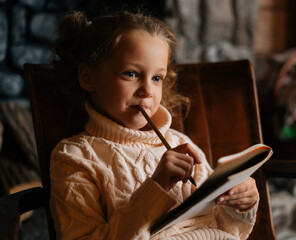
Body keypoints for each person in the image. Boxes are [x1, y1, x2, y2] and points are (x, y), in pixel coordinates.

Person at [49, 10, 259, 240]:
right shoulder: (74, 157)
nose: (147, 91)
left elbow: (228, 229)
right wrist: (155, 187)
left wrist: (239, 203)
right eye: (131, 74)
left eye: (157, 78)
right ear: (88, 78)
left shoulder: (180, 143)